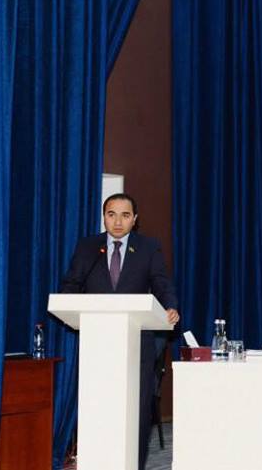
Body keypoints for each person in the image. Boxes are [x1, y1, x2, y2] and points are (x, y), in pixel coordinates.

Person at [61, 193, 179, 470]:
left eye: (125, 215)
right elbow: (71, 284)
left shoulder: (148, 247)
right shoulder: (88, 247)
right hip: (97, 343)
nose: (117, 221)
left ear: (134, 219)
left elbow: (162, 284)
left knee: (136, 410)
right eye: (111, 214)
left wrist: (171, 307)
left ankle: (133, 465)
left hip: (137, 343)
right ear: (104, 217)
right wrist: (69, 302)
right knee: (99, 407)